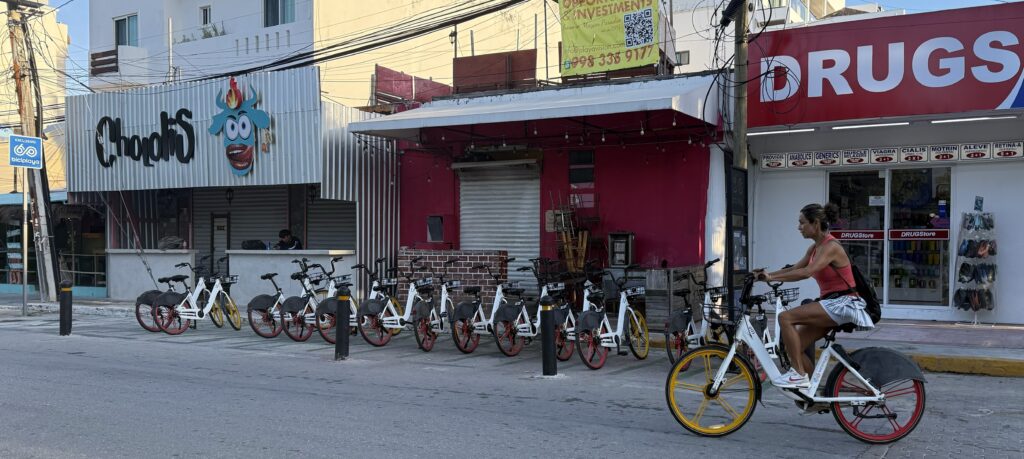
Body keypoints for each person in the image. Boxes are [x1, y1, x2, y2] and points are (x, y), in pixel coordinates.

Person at [754, 203, 874, 389]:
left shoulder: (831, 246)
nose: (798, 227)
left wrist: (771, 277)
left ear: (815, 224)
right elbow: (796, 269)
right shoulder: (814, 249)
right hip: (831, 303)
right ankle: (809, 392)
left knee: (785, 318)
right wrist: (764, 277)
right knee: (794, 346)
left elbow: (807, 272)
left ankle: (799, 375)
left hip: (843, 303)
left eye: (802, 223)